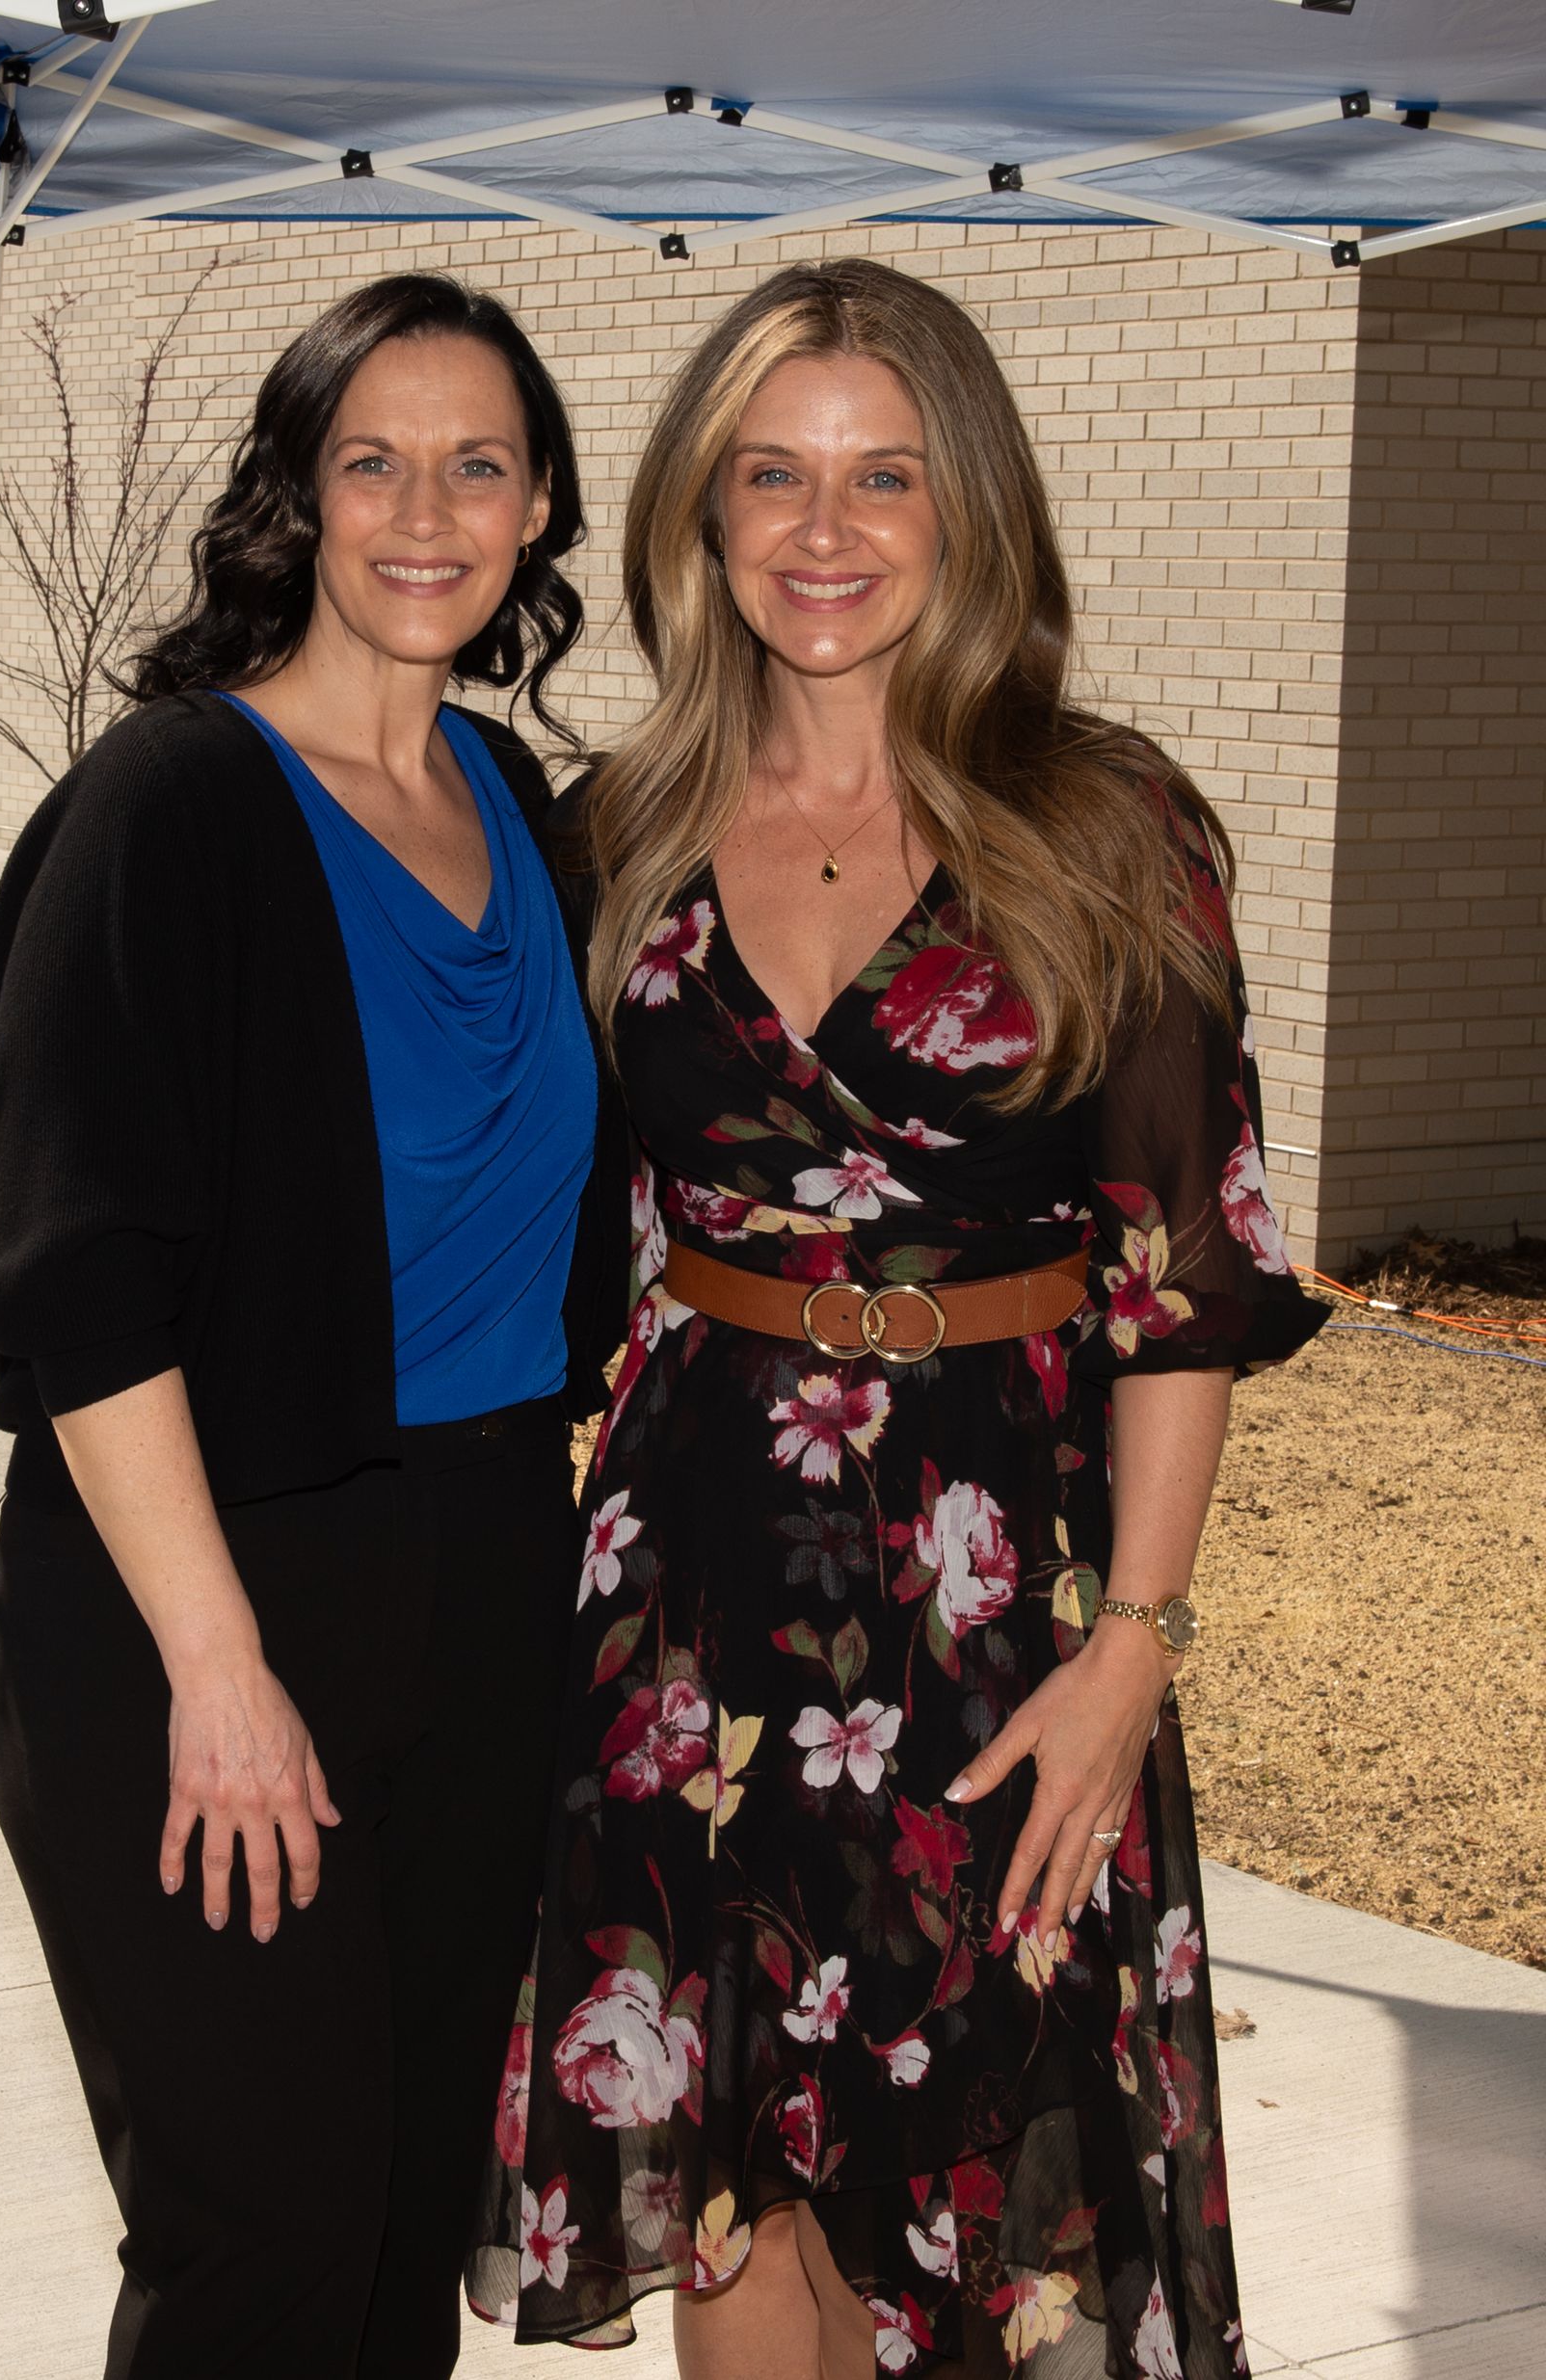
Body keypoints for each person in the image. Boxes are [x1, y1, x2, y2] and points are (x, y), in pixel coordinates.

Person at [469, 259, 1326, 2378]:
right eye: (774, 473)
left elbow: (1184, 1278)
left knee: (993, 2199)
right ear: (701, 507)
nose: (823, 530)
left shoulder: (1109, 828)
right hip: (689, 1590)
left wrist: (1138, 1639)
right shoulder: (616, 833)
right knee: (735, 2184)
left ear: (972, 512)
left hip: (999, 1602)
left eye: (883, 476)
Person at [0, 272, 627, 2380]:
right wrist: (223, 1666)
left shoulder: (526, 809)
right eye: (374, 458)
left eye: (480, 463)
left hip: (486, 1571)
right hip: (207, 1594)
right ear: (296, 494)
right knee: (260, 2243)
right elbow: (75, 1282)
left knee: (399, 2223)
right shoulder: (166, 811)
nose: (425, 507)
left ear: (537, 514)